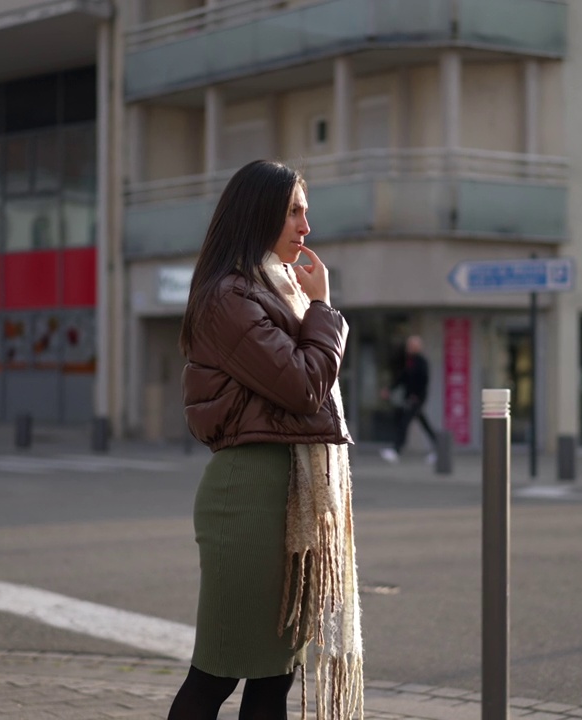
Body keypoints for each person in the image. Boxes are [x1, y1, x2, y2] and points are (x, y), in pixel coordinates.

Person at [170, 159, 364, 720]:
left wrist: (311, 312)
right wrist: (325, 310)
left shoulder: (273, 292)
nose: (307, 227)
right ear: (260, 215)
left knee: (273, 680)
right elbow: (305, 386)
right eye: (295, 212)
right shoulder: (228, 297)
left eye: (306, 211)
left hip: (285, 503)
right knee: (216, 674)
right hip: (249, 499)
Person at [379, 335, 438, 464]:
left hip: (416, 398)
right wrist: (390, 389)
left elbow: (423, 381)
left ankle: (396, 449)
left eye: (411, 346)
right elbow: (402, 378)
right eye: (408, 345)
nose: (408, 348)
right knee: (424, 424)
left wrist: (416, 395)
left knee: (404, 423)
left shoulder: (421, 362)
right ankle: (439, 448)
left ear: (417, 347)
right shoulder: (410, 361)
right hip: (411, 397)